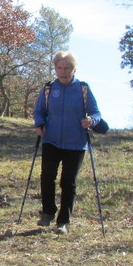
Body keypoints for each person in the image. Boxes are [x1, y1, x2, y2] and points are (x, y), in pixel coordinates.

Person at [32, 50, 103, 234]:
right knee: (47, 177)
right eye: (60, 67)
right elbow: (39, 111)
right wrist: (39, 123)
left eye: (67, 68)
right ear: (55, 68)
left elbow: (96, 113)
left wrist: (91, 121)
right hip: (51, 139)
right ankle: (48, 212)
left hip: (76, 142)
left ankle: (63, 221)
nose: (63, 71)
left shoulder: (83, 89)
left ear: (74, 69)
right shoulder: (49, 89)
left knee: (68, 182)